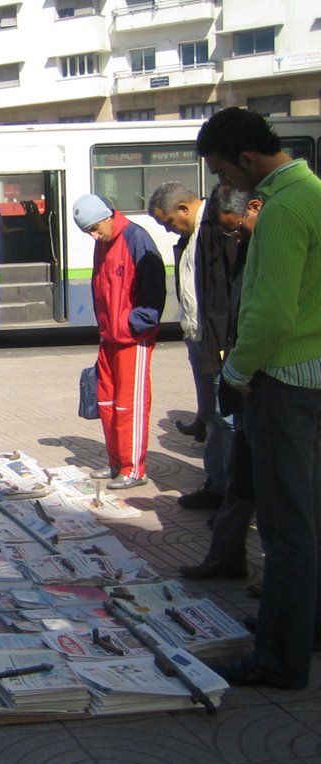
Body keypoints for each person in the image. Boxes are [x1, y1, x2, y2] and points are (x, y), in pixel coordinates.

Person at [197, 107, 321, 690]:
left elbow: (270, 313)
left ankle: (278, 657)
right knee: (310, 519)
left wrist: (237, 372)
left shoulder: (283, 209)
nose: (227, 187)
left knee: (286, 528)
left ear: (247, 159)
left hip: (287, 383)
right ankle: (298, 626)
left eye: (224, 173)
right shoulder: (314, 191)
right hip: (314, 376)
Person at [180, 188, 261, 581]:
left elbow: (268, 319)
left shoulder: (272, 241)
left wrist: (238, 372)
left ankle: (291, 596)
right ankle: (227, 556)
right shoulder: (230, 238)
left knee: (282, 495)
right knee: (242, 477)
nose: (236, 237)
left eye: (238, 229)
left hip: (271, 382)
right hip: (239, 367)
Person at [149, 182, 238, 511]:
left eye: (169, 222)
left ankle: (232, 493)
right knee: (212, 416)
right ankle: (216, 485)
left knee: (225, 416)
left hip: (219, 339)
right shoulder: (190, 236)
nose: (169, 229)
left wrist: (223, 341)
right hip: (198, 336)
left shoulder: (218, 229)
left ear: (185, 209)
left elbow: (225, 292)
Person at [71, 194, 166, 491]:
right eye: (88, 231)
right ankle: (116, 462)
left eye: (96, 228)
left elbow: (153, 288)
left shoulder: (136, 238)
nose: (94, 235)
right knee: (108, 402)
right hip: (109, 337)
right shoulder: (103, 243)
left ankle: (134, 468)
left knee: (130, 405)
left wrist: (133, 324)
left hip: (131, 338)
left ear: (108, 216)